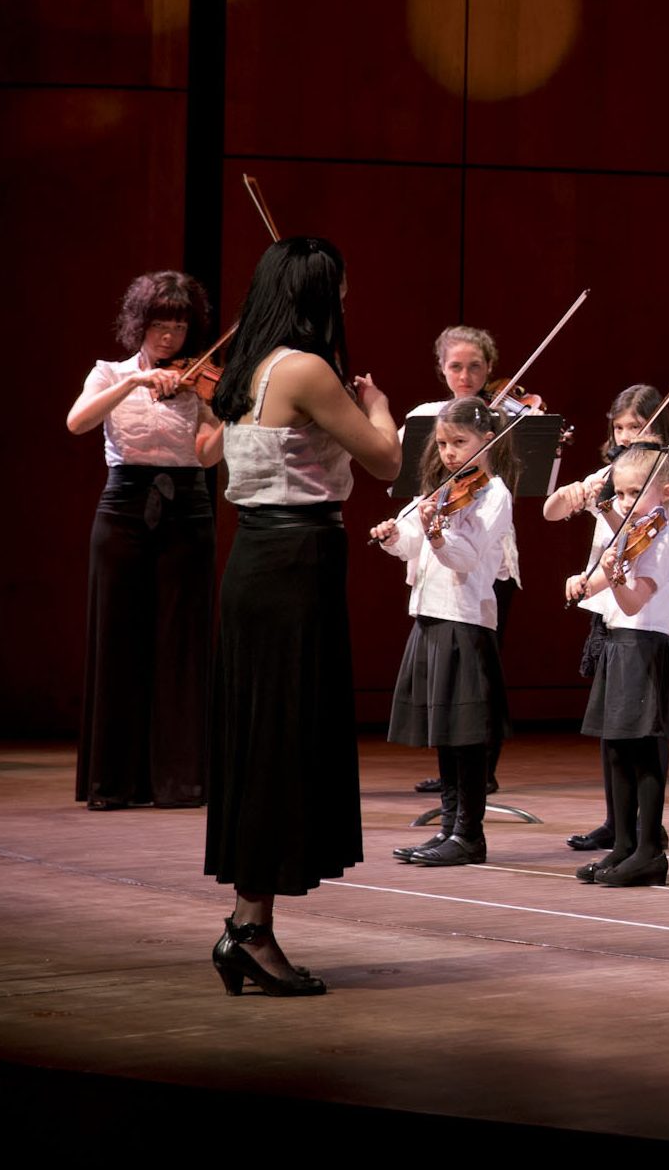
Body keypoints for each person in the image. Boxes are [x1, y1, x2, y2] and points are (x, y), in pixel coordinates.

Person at [203, 236, 403, 996]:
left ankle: (248, 919)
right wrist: (378, 409)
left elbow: (212, 458)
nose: (347, 301)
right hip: (295, 567)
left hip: (258, 562)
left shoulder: (251, 366)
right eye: (340, 290)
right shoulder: (308, 370)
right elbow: (385, 461)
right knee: (280, 744)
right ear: (317, 294)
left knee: (266, 743)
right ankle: (250, 930)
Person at [68, 270, 223, 811]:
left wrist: (224, 415)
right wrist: (132, 384)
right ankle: (113, 782)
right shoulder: (108, 372)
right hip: (123, 509)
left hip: (188, 509)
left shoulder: (198, 380)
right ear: (139, 324)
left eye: (179, 327)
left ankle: (178, 780)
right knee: (118, 636)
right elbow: (77, 424)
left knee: (181, 642)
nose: (169, 338)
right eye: (159, 325)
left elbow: (205, 457)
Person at [373, 397, 517, 868]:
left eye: (460, 442)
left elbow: (466, 557)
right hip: (431, 614)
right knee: (445, 731)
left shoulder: (494, 494)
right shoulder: (443, 488)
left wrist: (438, 535)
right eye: (443, 443)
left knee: (466, 735)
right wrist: (397, 536)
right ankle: (449, 827)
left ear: (486, 441)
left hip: (466, 619)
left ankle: (469, 834)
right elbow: (414, 544)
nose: (451, 452)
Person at [540, 383, 669, 852]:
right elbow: (551, 512)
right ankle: (617, 821)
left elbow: (647, 543)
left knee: (642, 726)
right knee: (614, 727)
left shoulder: (661, 479)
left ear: (657, 428)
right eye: (619, 428)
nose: (625, 436)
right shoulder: (616, 476)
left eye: (636, 427)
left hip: (646, 609)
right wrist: (576, 492)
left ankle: (645, 829)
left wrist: (605, 575)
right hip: (611, 605)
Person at [565, 443, 669, 887]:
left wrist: (614, 581)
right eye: (619, 494)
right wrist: (585, 581)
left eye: (636, 493)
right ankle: (622, 846)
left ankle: (651, 851)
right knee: (616, 748)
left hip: (645, 645)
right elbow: (607, 570)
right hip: (619, 644)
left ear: (667, 493)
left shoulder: (665, 543)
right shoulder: (631, 535)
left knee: (644, 753)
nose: (624, 502)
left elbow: (634, 602)